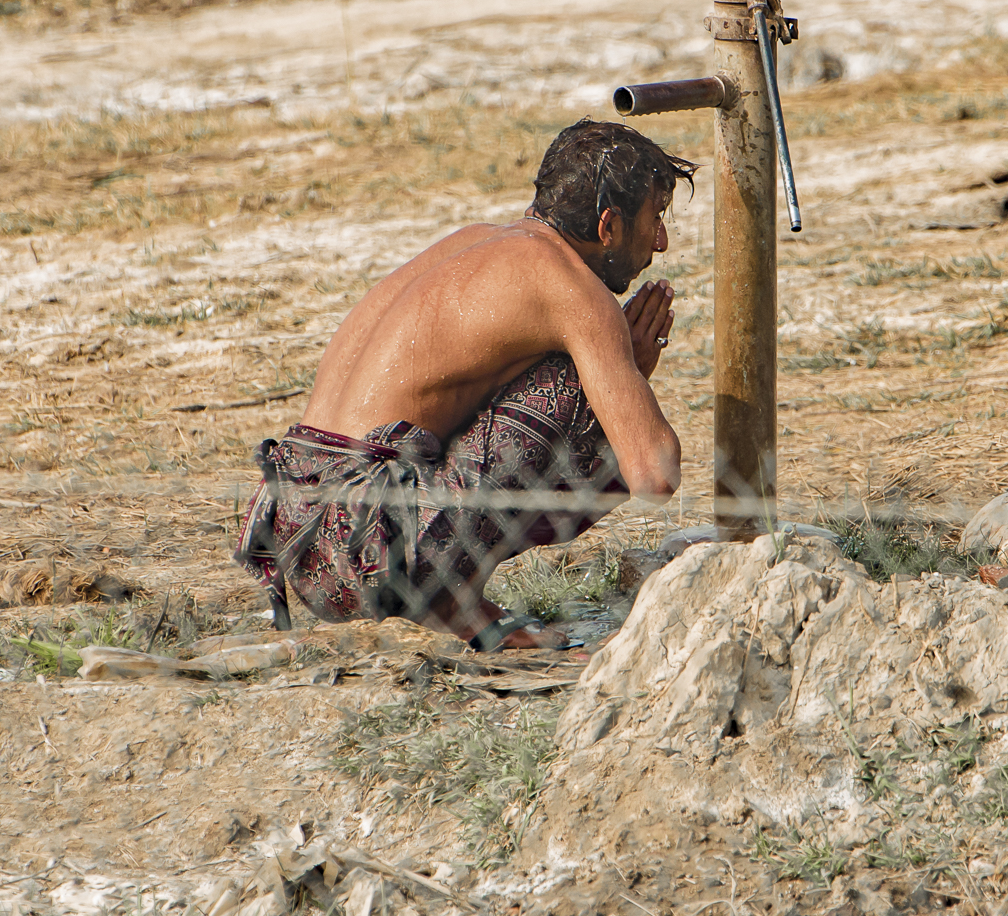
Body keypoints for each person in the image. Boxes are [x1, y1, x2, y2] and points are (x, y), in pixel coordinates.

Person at [235, 119, 691, 650]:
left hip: (297, 531)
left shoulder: (473, 241)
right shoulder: (571, 289)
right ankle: (452, 606)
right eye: (654, 218)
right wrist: (629, 372)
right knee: (572, 384)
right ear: (609, 224)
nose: (660, 241)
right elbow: (654, 474)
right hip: (361, 551)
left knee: (556, 370)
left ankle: (452, 597)